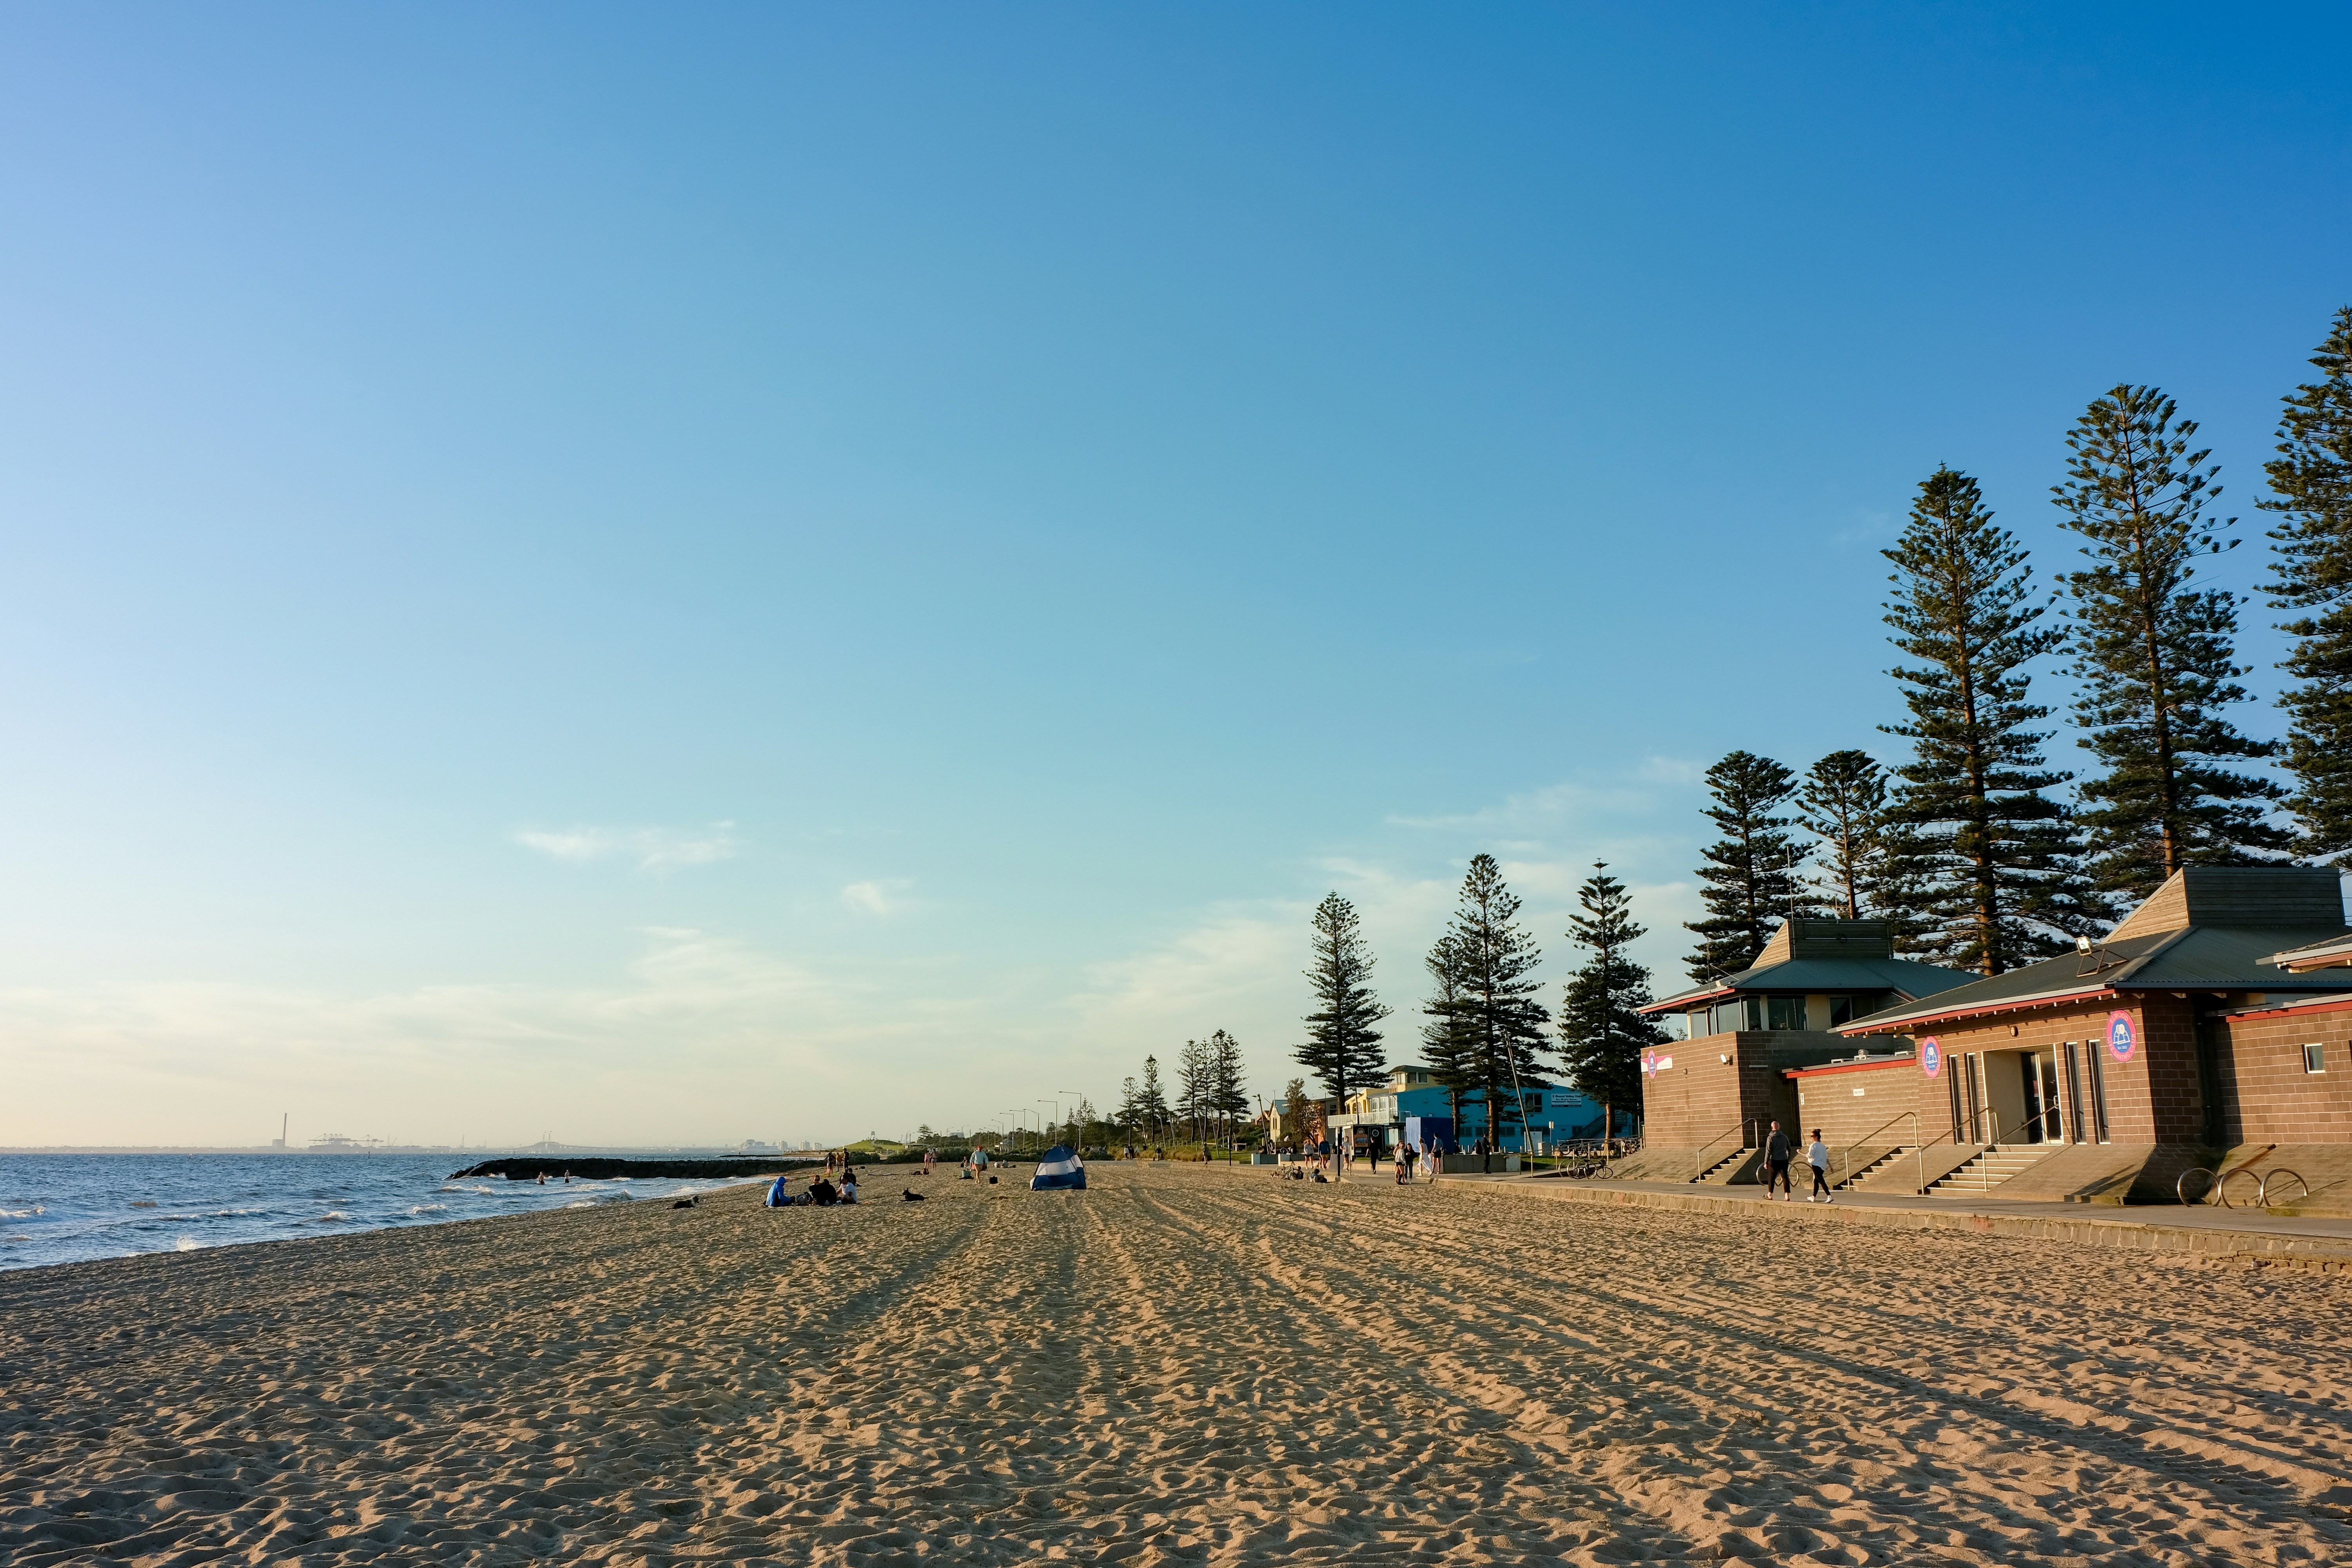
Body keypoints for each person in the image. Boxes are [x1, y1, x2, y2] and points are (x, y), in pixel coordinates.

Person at [1764, 1121, 1793, 1200]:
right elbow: (1789, 1149)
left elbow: (1768, 1151)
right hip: (1784, 1160)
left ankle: (1770, 1194)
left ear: (1772, 1128)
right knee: (1785, 1177)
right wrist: (1788, 1158)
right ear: (1779, 1127)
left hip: (1774, 1160)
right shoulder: (1784, 1137)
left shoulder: (1770, 1138)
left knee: (1772, 1178)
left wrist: (1766, 1162)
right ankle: (1787, 1196)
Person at [1807, 1129, 1833, 1203]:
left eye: (1812, 1136)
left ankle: (1829, 1196)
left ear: (1816, 1137)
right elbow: (1826, 1158)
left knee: (1821, 1180)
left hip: (1816, 1165)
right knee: (1816, 1181)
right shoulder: (1823, 1146)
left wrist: (1801, 1153)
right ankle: (1813, 1197)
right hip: (1823, 1166)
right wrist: (1831, 1167)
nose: (1811, 1138)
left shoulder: (1813, 1145)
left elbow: (1809, 1155)